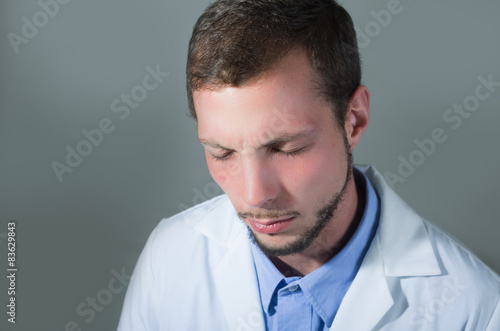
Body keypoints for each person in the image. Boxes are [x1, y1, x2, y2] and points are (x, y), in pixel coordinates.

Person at [117, 0, 500, 330]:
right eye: (223, 153)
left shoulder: (476, 310)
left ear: (354, 119)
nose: (255, 196)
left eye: (286, 148)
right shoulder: (169, 258)